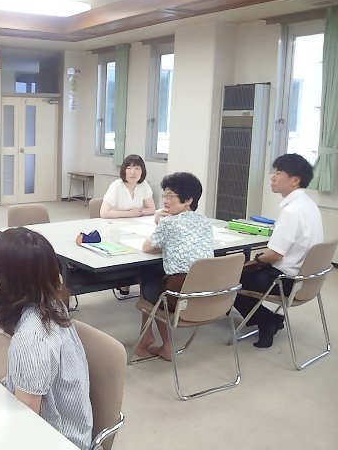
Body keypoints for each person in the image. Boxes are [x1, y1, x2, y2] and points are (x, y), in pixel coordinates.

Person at [0, 227, 93, 450]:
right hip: (70, 427)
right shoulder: (51, 302)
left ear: (4, 276)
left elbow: (27, 427)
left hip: (55, 440)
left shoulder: (30, 340)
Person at [233, 153, 323, 348]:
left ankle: (267, 321)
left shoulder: (291, 211)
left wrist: (256, 260)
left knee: (229, 280)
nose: (272, 178)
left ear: (295, 180)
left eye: (279, 173)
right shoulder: (309, 205)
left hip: (287, 280)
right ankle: (268, 320)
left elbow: (275, 255)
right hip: (309, 279)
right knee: (243, 271)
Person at [134, 172, 213, 361]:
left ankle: (155, 340)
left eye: (170, 195)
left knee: (149, 278)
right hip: (209, 294)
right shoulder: (205, 221)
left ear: (188, 200)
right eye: (164, 195)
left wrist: (158, 222)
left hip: (180, 296)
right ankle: (148, 337)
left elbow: (147, 247)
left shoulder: (168, 223)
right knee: (156, 277)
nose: (165, 200)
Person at [100, 154, 156, 295]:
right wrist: (129, 213)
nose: (133, 172)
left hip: (135, 226)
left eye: (137, 168)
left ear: (142, 171)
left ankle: (133, 280)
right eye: (129, 168)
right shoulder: (116, 186)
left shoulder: (143, 185)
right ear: (123, 170)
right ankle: (124, 281)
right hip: (113, 227)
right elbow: (104, 213)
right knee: (126, 246)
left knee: (144, 246)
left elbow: (152, 209)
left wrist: (139, 212)